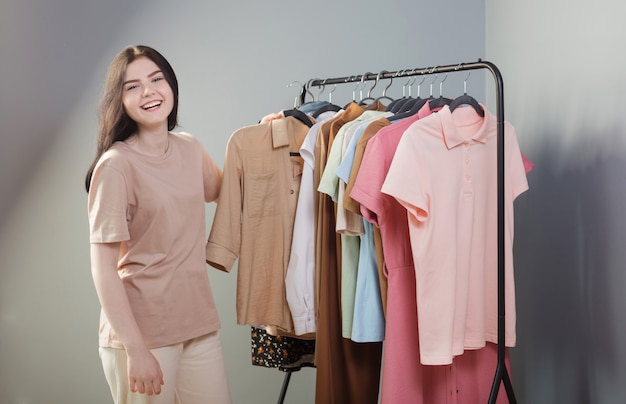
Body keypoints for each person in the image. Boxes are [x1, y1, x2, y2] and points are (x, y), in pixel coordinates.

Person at [85, 45, 231, 403]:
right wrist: (136, 350)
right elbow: (103, 269)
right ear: (119, 101)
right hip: (143, 336)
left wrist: (258, 139)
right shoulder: (116, 165)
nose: (148, 92)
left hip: (198, 325)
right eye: (132, 86)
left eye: (156, 79)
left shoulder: (189, 148)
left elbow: (229, 192)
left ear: (171, 86)